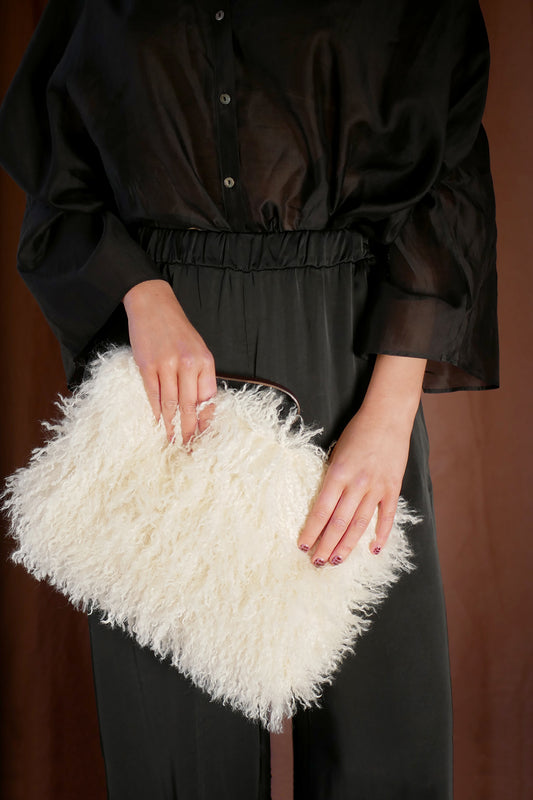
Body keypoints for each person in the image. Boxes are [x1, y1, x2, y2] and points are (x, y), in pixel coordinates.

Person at [0, 1, 498, 798]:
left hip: (353, 359)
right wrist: (139, 294)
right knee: (173, 761)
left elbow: (448, 182)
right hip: (162, 366)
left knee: (381, 748)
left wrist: (388, 416)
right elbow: (54, 163)